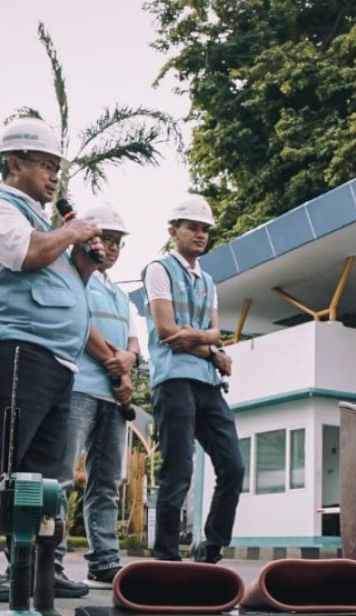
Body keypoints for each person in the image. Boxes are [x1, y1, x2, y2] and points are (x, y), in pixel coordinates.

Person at [0, 117, 99, 602]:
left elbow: (54, 274)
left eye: (57, 167)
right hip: (13, 349)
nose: (55, 176)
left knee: (42, 476)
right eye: (45, 165)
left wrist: (84, 263)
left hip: (53, 361)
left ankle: (35, 567)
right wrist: (71, 233)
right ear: (15, 164)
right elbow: (24, 255)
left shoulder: (41, 221)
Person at [142, 195, 244, 562]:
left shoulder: (209, 280)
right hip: (173, 382)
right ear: (174, 231)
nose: (201, 234)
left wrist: (202, 341)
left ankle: (211, 547)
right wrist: (212, 346)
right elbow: (169, 332)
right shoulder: (158, 269)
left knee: (233, 465)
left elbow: (215, 332)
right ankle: (166, 557)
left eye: (205, 229)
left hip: (207, 383)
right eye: (193, 227)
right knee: (178, 467)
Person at [56, 202, 139, 588]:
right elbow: (83, 327)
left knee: (105, 483)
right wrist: (117, 366)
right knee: (61, 477)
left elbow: (135, 343)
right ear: (90, 238)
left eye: (118, 241)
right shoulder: (77, 277)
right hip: (82, 388)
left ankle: (104, 560)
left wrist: (129, 361)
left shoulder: (121, 295)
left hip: (112, 396)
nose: (112, 247)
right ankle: (50, 559)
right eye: (107, 238)